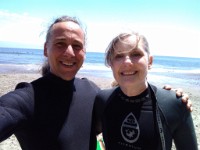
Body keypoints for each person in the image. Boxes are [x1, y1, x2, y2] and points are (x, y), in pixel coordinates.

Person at [0, 15, 191, 150]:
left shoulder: (92, 91)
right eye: (60, 43)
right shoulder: (27, 98)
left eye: (77, 45)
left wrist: (169, 98)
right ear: (45, 49)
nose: (69, 52)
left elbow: (119, 109)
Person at [93, 31, 198, 150]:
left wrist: (170, 97)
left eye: (136, 54)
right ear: (111, 64)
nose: (127, 61)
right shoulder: (102, 99)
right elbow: (88, 136)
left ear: (150, 62)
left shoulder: (174, 104)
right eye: (118, 56)